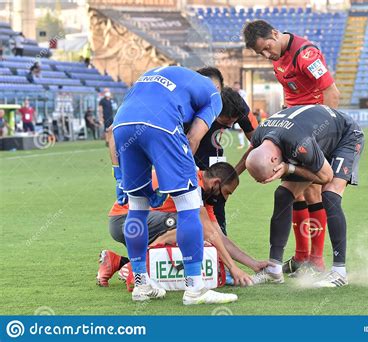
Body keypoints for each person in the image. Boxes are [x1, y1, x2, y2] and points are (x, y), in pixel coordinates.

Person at [112, 65, 238, 304]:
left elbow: (120, 123)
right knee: (189, 204)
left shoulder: (155, 75)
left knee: (137, 206)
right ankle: (194, 288)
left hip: (122, 125)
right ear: (217, 86)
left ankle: (141, 284)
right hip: (161, 125)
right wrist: (180, 178)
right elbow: (193, 137)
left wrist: (120, 176)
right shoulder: (213, 95)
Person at [243, 19, 341, 275]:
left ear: (275, 33)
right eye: (260, 53)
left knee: (313, 193)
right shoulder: (277, 58)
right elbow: (292, 96)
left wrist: (325, 134)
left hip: (314, 130)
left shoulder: (306, 55)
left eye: (266, 47)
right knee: (296, 193)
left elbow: (332, 92)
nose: (266, 55)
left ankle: (316, 261)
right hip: (293, 127)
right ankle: (301, 257)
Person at [242, 104, 364, 288]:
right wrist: (230, 178)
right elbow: (249, 155)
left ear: (275, 160)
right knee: (283, 194)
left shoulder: (299, 143)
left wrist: (290, 168)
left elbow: (326, 176)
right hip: (313, 137)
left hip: (345, 136)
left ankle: (340, 272)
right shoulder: (260, 134)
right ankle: (274, 268)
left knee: (330, 195)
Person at [97, 163, 267, 287]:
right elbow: (207, 232)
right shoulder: (194, 184)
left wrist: (253, 264)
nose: (226, 198)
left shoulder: (204, 193)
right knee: (191, 225)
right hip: (125, 220)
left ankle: (117, 261)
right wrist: (233, 268)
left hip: (135, 220)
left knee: (193, 232)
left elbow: (218, 235)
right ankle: (134, 269)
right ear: (216, 183)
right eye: (227, 192)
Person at [193, 67, 258, 236]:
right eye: (226, 122)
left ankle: (219, 255)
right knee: (188, 212)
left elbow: (258, 144)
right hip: (189, 164)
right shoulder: (198, 106)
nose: (229, 127)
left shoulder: (240, 108)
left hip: (215, 167)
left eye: (233, 123)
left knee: (217, 212)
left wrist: (232, 174)